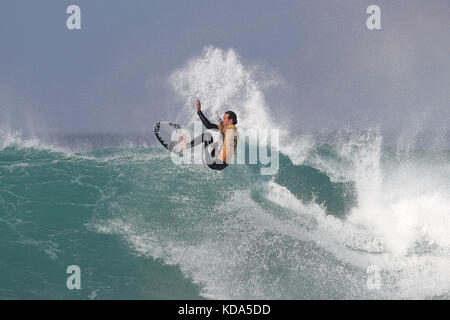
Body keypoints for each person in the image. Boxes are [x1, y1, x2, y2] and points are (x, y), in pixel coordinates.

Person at [179, 100, 238, 171]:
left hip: (214, 162)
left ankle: (186, 146)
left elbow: (209, 126)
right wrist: (217, 117)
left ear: (230, 121)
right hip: (223, 164)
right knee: (216, 138)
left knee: (208, 136)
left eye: (225, 118)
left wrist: (199, 112)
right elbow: (213, 125)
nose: (223, 120)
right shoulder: (232, 130)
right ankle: (198, 149)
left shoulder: (230, 129)